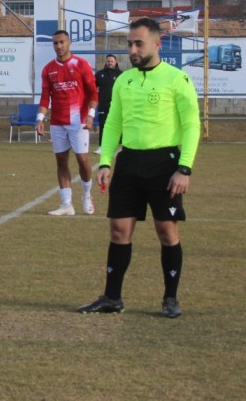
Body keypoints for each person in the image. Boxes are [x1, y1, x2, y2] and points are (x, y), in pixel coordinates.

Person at [78, 17, 201, 319]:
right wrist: (106, 161)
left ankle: (170, 299)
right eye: (129, 44)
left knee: (166, 231)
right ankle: (112, 297)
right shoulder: (123, 80)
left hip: (165, 165)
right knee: (119, 230)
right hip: (129, 162)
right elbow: (113, 125)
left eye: (138, 43)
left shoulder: (177, 79)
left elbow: (191, 125)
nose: (132, 49)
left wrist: (184, 168)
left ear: (157, 44)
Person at [36, 30, 98, 216]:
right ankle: (66, 204)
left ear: (69, 42)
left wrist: (91, 115)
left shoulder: (81, 64)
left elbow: (93, 93)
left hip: (78, 121)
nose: (59, 46)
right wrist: (40, 119)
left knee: (82, 159)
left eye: (62, 42)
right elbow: (45, 97)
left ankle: (87, 194)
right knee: (61, 161)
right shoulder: (48, 69)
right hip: (57, 122)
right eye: (55, 43)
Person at [94, 54, 122, 154]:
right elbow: (93, 87)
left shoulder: (121, 74)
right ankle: (101, 146)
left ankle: (121, 147)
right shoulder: (100, 74)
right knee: (103, 126)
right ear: (106, 62)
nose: (110, 63)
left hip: (117, 105)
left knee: (119, 125)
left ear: (115, 62)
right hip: (103, 105)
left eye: (112, 61)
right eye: (108, 61)